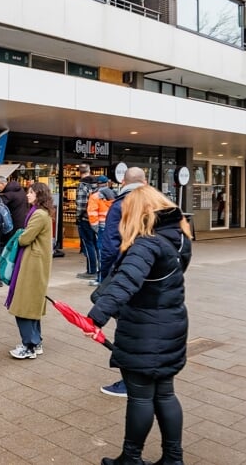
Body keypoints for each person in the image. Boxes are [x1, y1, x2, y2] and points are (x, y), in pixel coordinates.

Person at [87, 185, 192, 465]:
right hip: (171, 322)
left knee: (141, 397)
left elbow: (125, 282)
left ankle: (131, 459)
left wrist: (95, 317)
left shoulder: (146, 244)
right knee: (165, 393)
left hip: (146, 329)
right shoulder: (178, 238)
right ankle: (173, 457)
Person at [96, 167, 149, 398]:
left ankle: (131, 383)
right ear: (144, 181)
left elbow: (109, 246)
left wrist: (106, 279)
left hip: (126, 275)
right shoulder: (158, 204)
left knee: (128, 329)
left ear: (123, 182)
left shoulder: (120, 206)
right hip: (153, 276)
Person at [4, 182, 54, 359]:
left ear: (39, 195)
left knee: (23, 307)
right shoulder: (42, 213)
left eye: (31, 192)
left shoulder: (38, 215)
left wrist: (20, 234)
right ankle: (36, 341)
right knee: (32, 307)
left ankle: (29, 346)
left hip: (32, 267)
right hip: (35, 266)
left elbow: (25, 239)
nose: (28, 195)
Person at [75, 163, 99, 280]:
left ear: (80, 172)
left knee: (88, 243)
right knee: (95, 244)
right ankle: (99, 268)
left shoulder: (82, 185)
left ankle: (91, 270)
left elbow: (81, 204)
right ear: (89, 170)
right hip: (96, 218)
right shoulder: (97, 184)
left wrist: (78, 216)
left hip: (85, 218)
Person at [87, 176, 116, 265]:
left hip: (101, 227)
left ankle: (101, 277)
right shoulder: (114, 194)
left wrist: (95, 228)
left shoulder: (95, 196)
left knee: (101, 251)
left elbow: (92, 213)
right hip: (113, 226)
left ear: (97, 184)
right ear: (107, 183)